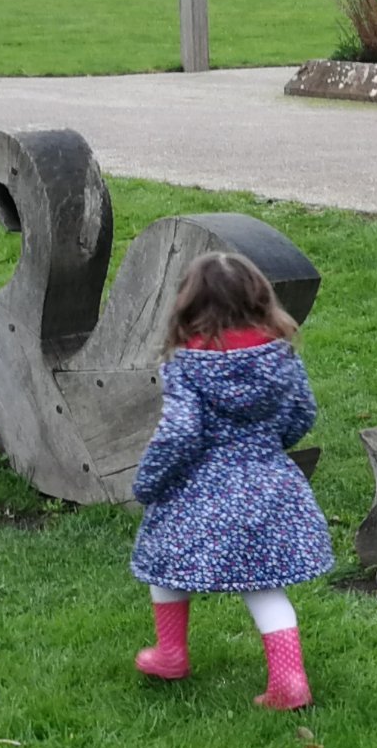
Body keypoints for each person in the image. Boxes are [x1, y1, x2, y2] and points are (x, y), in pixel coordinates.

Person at [129, 250, 333, 708]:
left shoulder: (187, 363)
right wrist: (271, 442)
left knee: (166, 559)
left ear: (189, 303)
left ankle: (171, 652)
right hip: (268, 484)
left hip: (200, 489)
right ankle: (289, 679)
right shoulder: (280, 354)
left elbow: (180, 432)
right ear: (259, 298)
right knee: (264, 585)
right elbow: (303, 411)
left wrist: (149, 481)